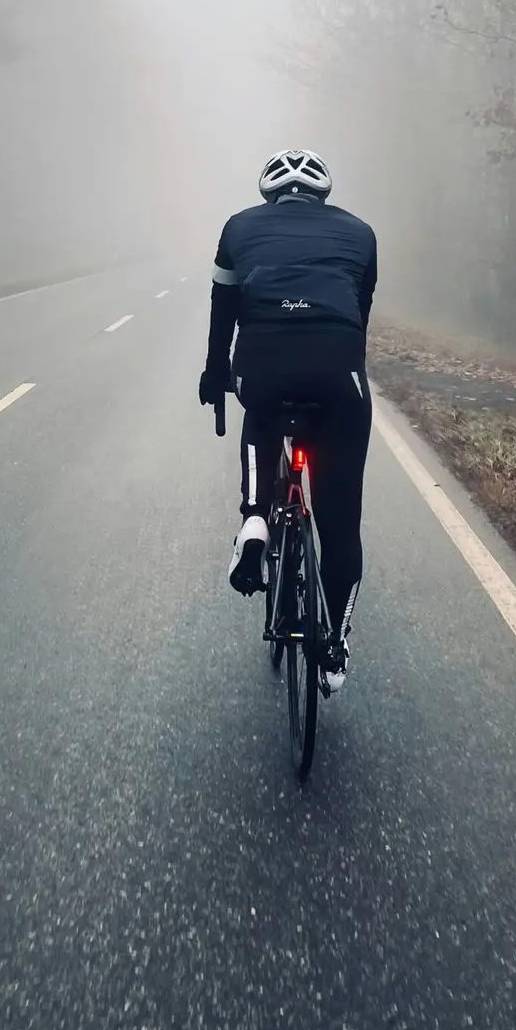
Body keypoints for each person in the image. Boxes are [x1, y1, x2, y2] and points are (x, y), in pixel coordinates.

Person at [199, 147, 378, 692]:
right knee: (340, 525)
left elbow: (222, 311)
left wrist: (215, 376)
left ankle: (254, 518)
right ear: (323, 193)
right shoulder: (362, 234)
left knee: (262, 411)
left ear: (268, 193)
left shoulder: (237, 228)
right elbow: (358, 312)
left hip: (265, 364)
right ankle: (336, 643)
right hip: (338, 371)